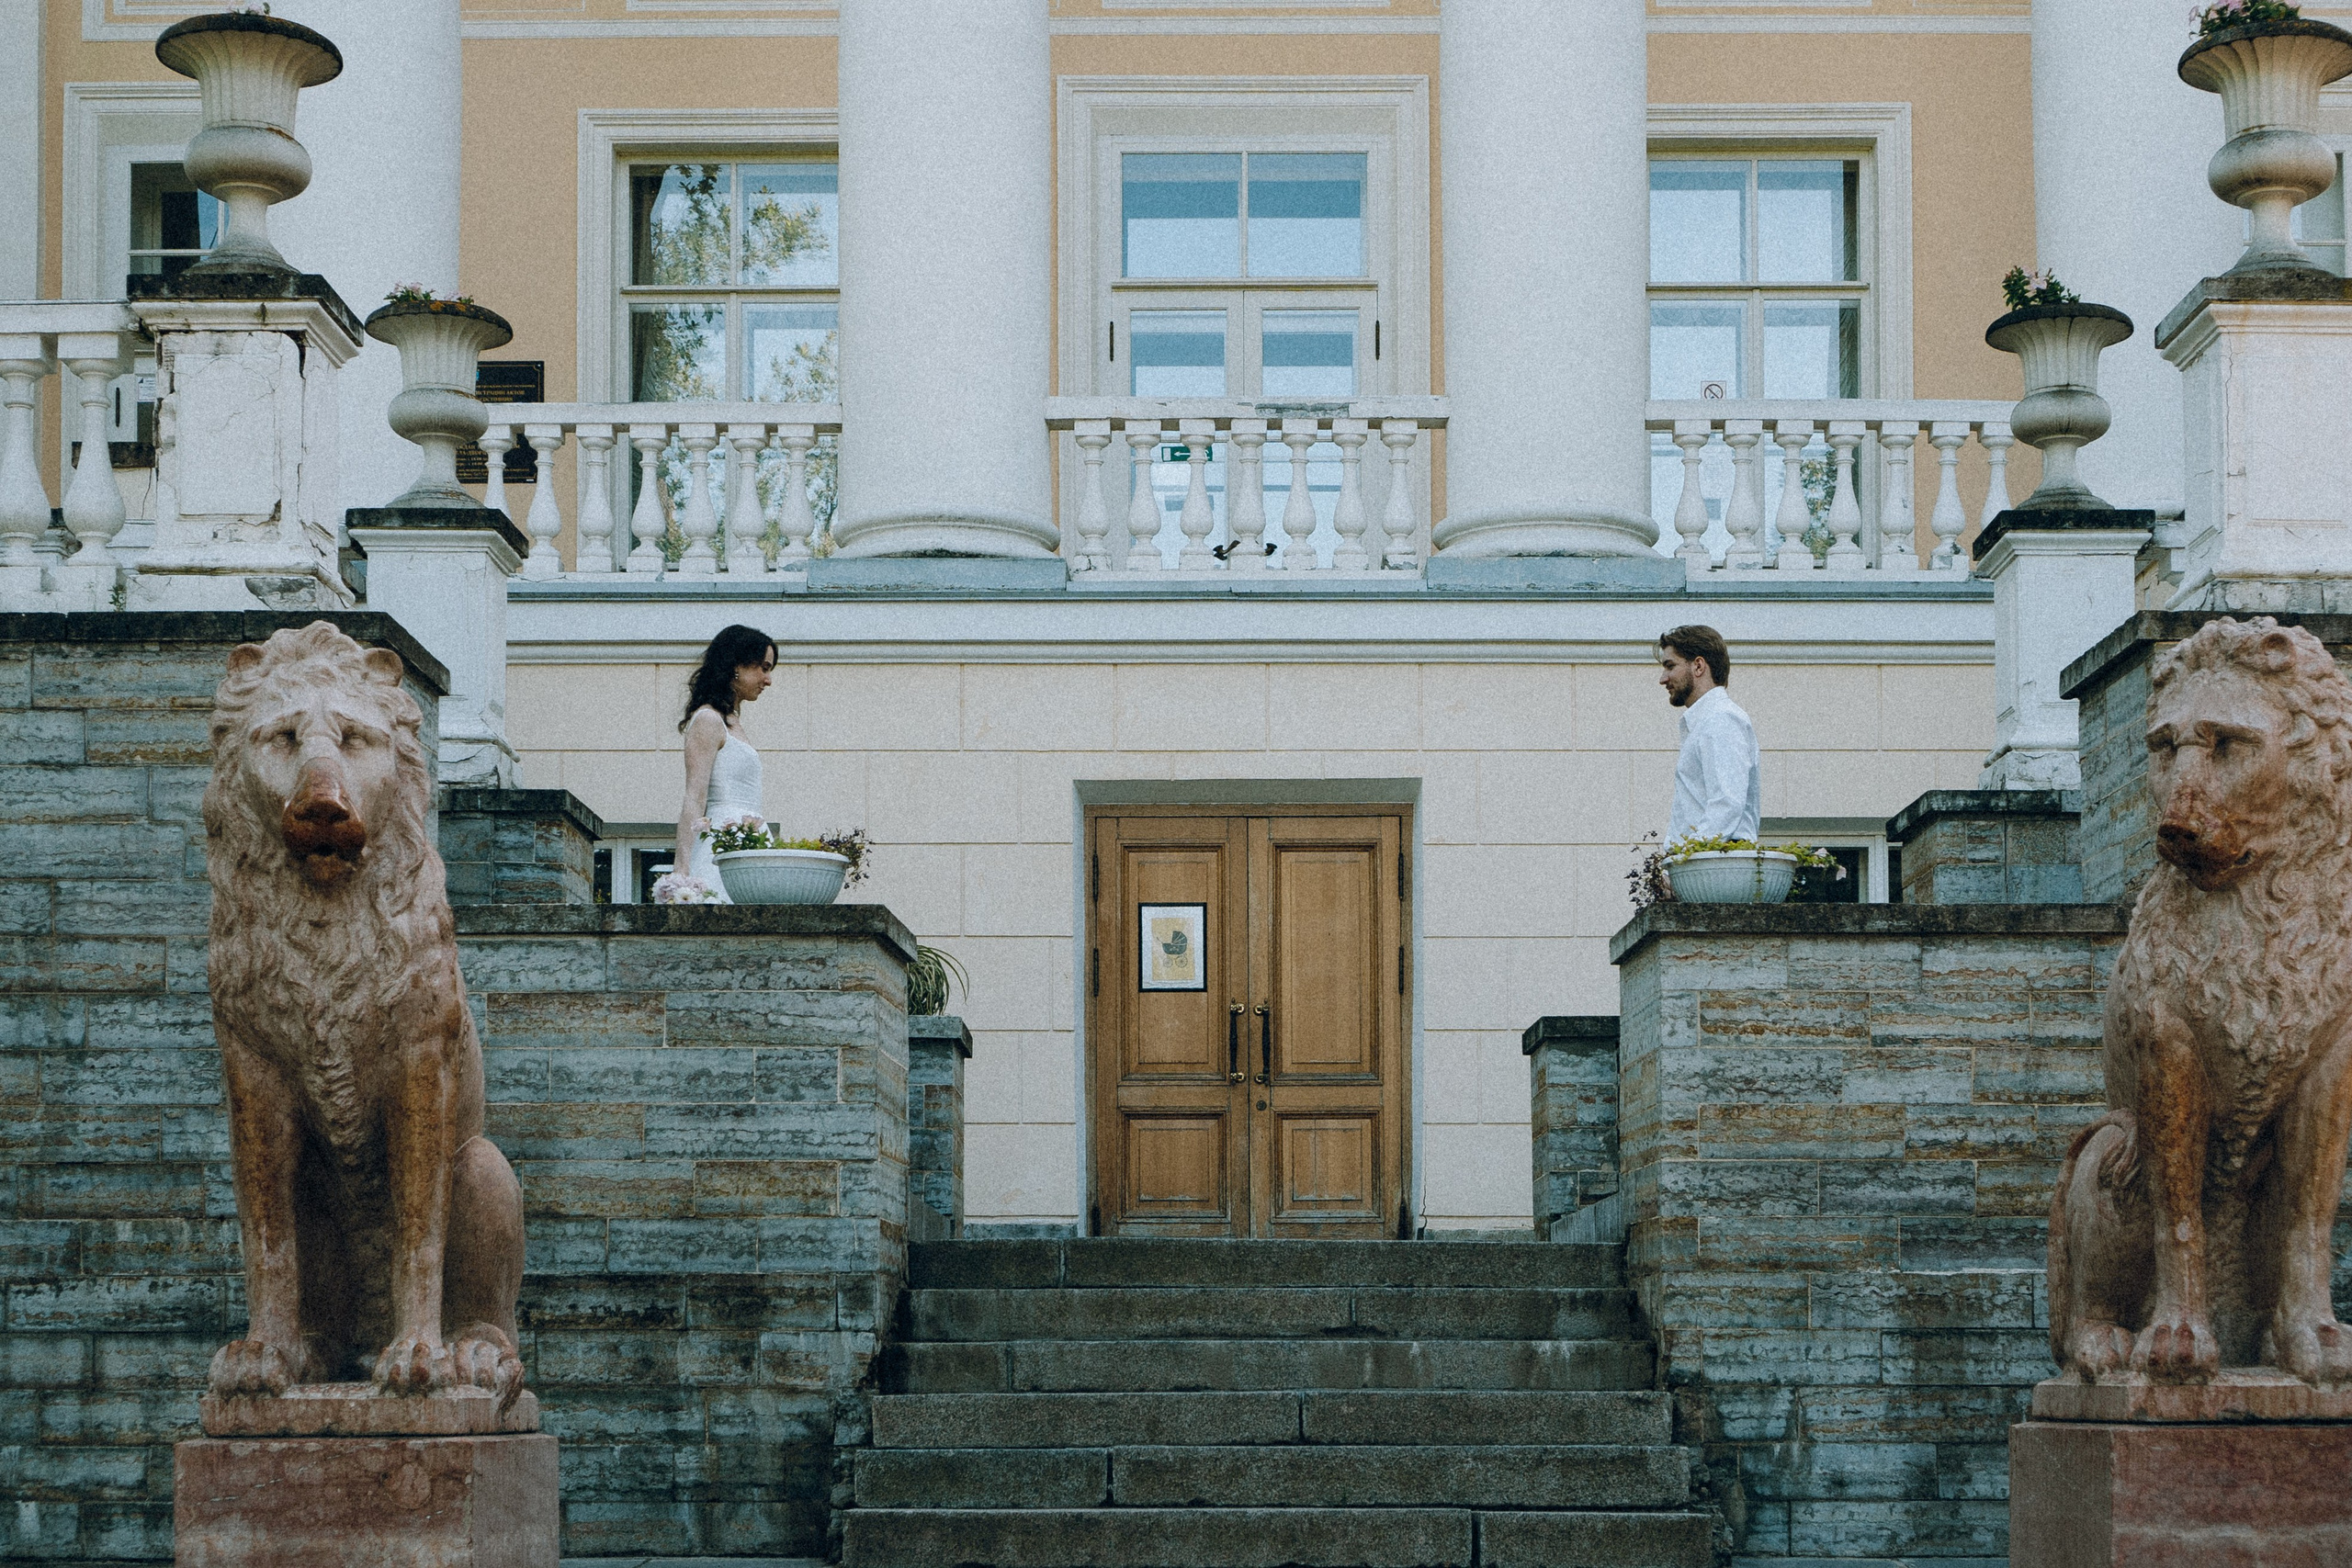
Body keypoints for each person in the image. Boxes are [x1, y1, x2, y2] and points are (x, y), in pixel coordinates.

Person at [674, 624, 779, 903]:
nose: (768, 680)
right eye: (763, 668)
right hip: (722, 846)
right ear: (736, 665)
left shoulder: (732, 722)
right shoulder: (709, 720)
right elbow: (695, 796)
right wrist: (681, 873)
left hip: (749, 842)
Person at [1657, 624, 1760, 844]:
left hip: (1715, 867)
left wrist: (1684, 860)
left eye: (1670, 666)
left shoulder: (1721, 719)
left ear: (1698, 666)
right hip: (1705, 865)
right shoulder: (1708, 721)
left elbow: (1727, 804)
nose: (1663, 678)